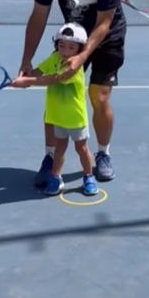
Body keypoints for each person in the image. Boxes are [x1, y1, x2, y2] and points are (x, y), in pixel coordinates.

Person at [18, 0, 127, 186]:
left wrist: (82, 56)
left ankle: (103, 154)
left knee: (98, 97)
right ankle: (50, 156)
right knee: (55, 96)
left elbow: (104, 23)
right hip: (72, 38)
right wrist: (26, 60)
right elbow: (38, 16)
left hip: (108, 37)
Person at [12, 24, 97, 196]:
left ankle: (89, 176)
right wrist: (24, 77)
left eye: (72, 47)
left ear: (79, 48)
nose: (65, 50)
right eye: (62, 45)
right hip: (58, 116)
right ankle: (56, 178)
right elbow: (39, 71)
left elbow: (53, 79)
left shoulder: (75, 66)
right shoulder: (55, 57)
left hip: (75, 117)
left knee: (82, 149)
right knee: (59, 149)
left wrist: (28, 82)